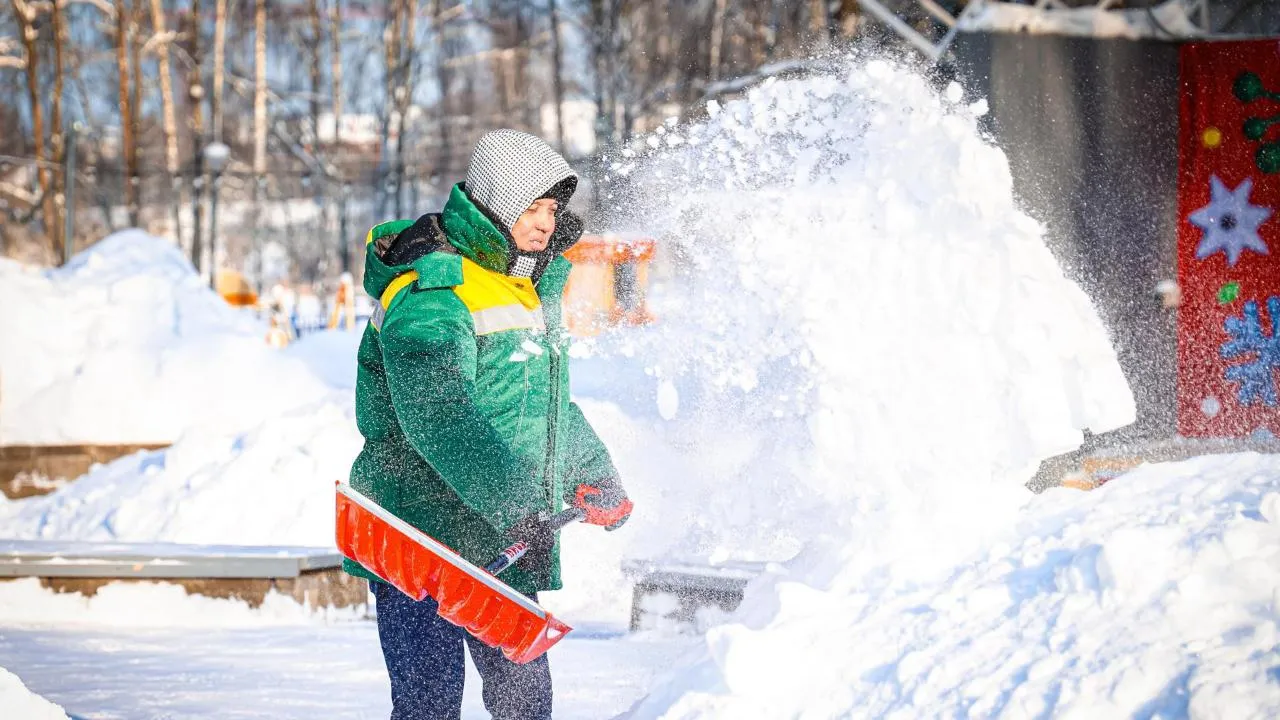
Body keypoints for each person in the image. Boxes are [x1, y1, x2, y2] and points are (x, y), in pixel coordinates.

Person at [343, 129, 634, 720]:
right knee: (430, 707)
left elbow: (543, 406)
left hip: (500, 538)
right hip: (419, 542)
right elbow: (439, 412)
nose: (546, 223)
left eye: (552, 208)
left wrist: (592, 474)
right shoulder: (432, 291)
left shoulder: (524, 288)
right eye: (531, 206)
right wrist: (518, 499)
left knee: (525, 704)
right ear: (496, 203)